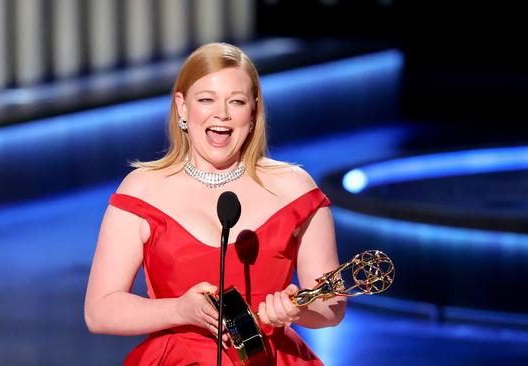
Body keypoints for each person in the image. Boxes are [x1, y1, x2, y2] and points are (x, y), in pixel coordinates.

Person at [84, 42, 346, 365]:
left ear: (253, 110)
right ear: (182, 107)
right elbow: (99, 310)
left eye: (236, 101)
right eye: (206, 99)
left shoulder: (295, 190)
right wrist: (180, 309)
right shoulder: (142, 190)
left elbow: (331, 308)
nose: (221, 114)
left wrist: (297, 310)